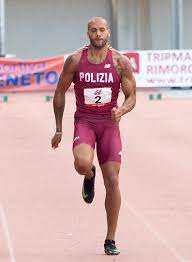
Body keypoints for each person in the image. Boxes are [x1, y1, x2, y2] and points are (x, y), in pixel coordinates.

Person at [51, 16, 136, 255]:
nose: (98, 34)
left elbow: (132, 97)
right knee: (81, 163)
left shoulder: (120, 62)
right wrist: (58, 129)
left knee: (113, 181)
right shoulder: (76, 60)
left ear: (108, 32)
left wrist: (122, 110)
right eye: (93, 31)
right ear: (88, 33)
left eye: (101, 30)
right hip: (85, 121)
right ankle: (89, 175)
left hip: (109, 125)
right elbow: (59, 93)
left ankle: (110, 239)